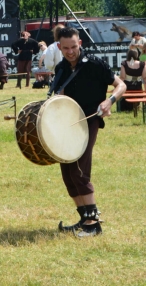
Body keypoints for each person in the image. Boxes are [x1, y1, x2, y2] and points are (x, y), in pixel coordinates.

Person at [54, 27, 126, 237]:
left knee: (79, 170)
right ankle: (84, 217)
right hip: (67, 124)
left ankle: (94, 225)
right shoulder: (61, 68)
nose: (70, 52)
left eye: (74, 47)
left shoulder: (94, 64)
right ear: (59, 46)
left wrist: (109, 101)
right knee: (68, 173)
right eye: (65, 48)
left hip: (89, 121)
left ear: (80, 44)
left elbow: (121, 85)